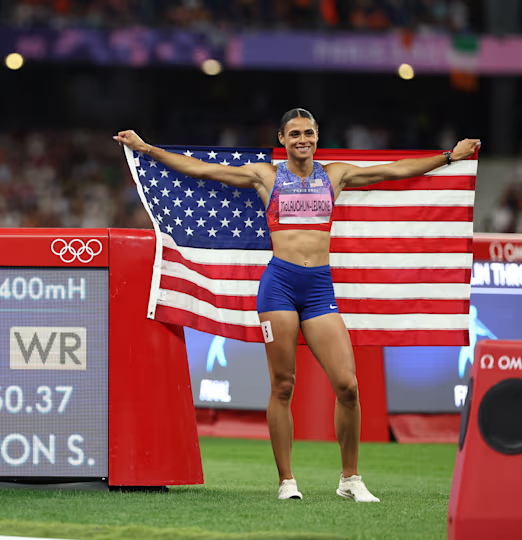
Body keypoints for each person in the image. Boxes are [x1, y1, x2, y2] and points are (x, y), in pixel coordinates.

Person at [114, 108, 480, 502]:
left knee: (348, 386)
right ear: (282, 139)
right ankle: (287, 481)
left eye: (308, 132)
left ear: (317, 136)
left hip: (320, 288)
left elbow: (394, 171)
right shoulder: (266, 175)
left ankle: (350, 478)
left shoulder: (335, 175)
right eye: (294, 134)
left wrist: (449, 157)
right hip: (280, 288)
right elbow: (201, 170)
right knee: (283, 385)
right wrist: (146, 148)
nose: (302, 139)